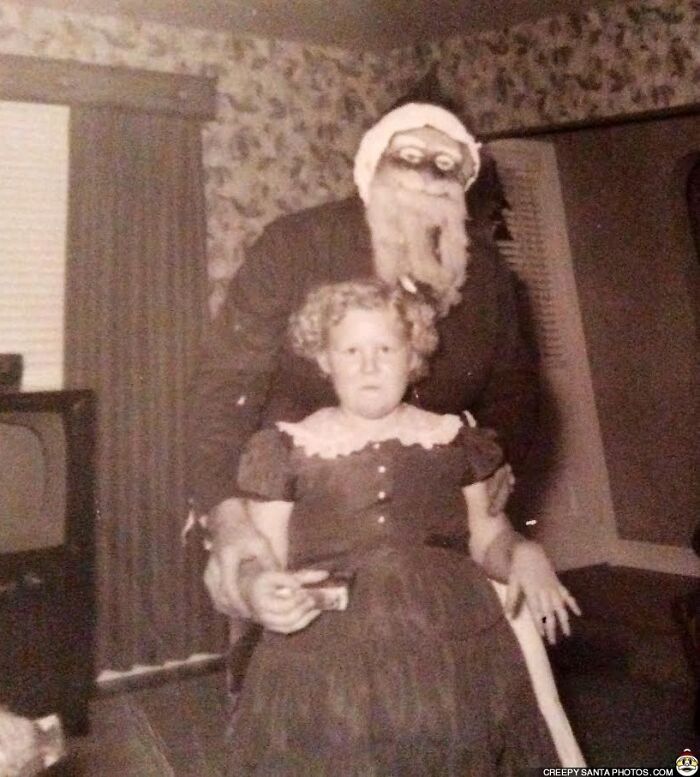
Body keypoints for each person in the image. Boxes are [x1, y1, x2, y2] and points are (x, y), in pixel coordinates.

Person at [188, 102, 539, 622]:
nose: (426, 175)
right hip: (293, 518)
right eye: (410, 156)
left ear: (463, 184)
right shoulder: (296, 245)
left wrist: (496, 462)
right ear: (373, 165)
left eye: (446, 165)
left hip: (430, 532)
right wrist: (225, 513)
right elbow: (225, 387)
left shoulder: (486, 277)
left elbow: (515, 395)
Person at [224, 279, 579, 776]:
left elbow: (487, 537)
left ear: (412, 357)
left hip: (453, 642)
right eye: (351, 350)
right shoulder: (288, 447)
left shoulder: (453, 438)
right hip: (329, 648)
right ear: (325, 360)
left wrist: (523, 553)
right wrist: (258, 585)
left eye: (385, 348)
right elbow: (263, 556)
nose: (368, 365)